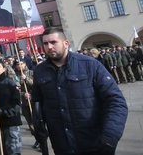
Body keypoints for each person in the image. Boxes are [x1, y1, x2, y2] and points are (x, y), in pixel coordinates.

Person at [32, 27, 128, 155]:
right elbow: (38, 104)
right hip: (62, 145)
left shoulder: (90, 65)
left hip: (95, 143)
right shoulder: (39, 71)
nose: (49, 47)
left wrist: (111, 135)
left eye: (53, 42)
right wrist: (39, 129)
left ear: (66, 43)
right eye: (45, 43)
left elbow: (116, 101)